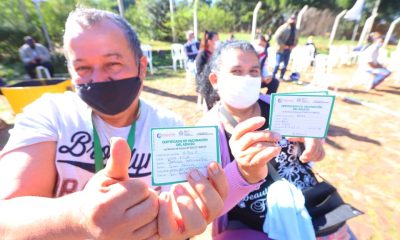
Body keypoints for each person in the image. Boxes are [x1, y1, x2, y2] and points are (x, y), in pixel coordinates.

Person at [0, 8, 239, 239]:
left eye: (112, 64)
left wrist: (181, 224)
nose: (98, 78)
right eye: (82, 68)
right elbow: (6, 219)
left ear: (141, 67)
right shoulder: (50, 114)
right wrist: (78, 219)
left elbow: (180, 205)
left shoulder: (169, 126)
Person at [197, 40, 355, 239]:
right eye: (236, 71)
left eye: (253, 71)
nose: (246, 78)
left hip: (313, 208)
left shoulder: (282, 107)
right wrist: (243, 172)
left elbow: (312, 146)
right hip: (254, 225)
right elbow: (210, 202)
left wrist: (313, 142)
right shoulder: (207, 131)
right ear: (215, 80)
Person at [195, 31, 220, 110]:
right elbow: (199, 71)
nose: (218, 42)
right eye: (216, 40)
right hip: (206, 83)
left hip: (216, 82)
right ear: (209, 42)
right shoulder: (202, 54)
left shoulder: (217, 53)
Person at [272, 15, 298, 81]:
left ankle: (281, 77)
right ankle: (273, 76)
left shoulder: (295, 30)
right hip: (281, 49)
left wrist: (293, 45)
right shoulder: (283, 28)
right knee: (277, 64)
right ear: (288, 19)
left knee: (285, 65)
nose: (293, 20)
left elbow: (296, 39)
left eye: (294, 19)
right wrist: (283, 45)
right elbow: (276, 37)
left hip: (289, 49)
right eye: (291, 18)